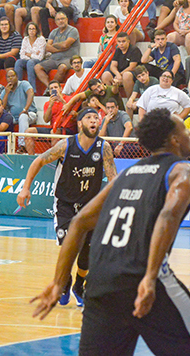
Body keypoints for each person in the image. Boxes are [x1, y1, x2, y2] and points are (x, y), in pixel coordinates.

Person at [31, 107, 190, 355]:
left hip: (100, 283)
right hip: (142, 277)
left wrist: (58, 282)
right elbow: (167, 216)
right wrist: (150, 277)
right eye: (185, 130)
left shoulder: (125, 175)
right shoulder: (186, 173)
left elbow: (79, 222)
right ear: (174, 139)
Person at [18, 108, 116, 305]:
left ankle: (79, 285)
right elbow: (38, 161)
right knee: (68, 245)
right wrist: (25, 188)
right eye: (88, 117)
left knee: (86, 252)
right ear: (79, 124)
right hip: (65, 204)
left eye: (96, 117)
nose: (93, 120)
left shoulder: (103, 147)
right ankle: (65, 281)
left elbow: (113, 177)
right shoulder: (66, 145)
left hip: (90, 206)